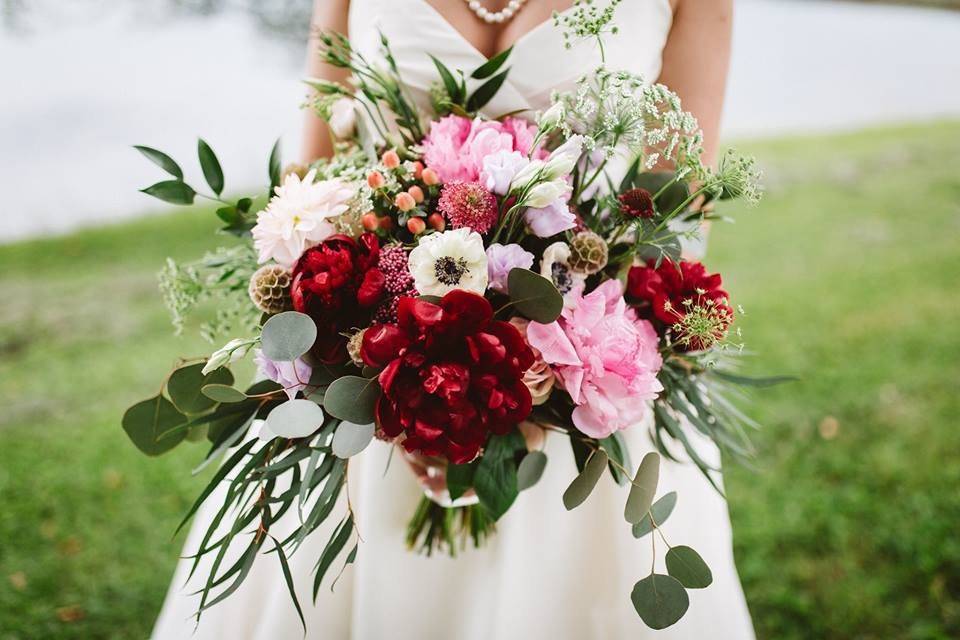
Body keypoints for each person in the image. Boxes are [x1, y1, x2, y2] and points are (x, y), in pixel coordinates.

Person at [153, 1, 754, 637]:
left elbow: (674, 220)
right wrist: (368, 370)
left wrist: (538, 384)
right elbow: (311, 181)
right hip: (375, 381)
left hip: (581, 401)